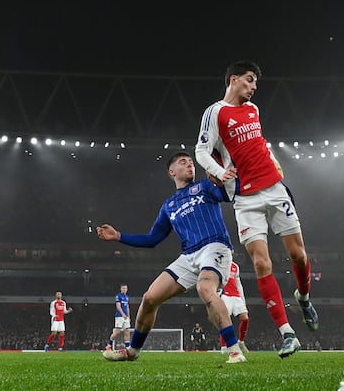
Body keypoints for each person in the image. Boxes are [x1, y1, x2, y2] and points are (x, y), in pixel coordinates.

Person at [195, 60, 317, 359]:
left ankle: (302, 296)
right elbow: (201, 150)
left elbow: (257, 145)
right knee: (262, 264)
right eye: (249, 80)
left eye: (255, 83)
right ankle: (287, 334)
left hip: (275, 188)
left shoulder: (254, 110)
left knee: (299, 255)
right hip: (246, 199)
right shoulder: (216, 112)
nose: (253, 87)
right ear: (233, 79)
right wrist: (218, 170)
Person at [97, 151, 246, 364]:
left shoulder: (205, 186)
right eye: (183, 162)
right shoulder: (169, 206)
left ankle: (234, 350)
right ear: (172, 171)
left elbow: (231, 193)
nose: (190, 165)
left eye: (191, 162)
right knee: (149, 298)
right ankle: (133, 351)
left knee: (205, 289)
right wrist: (118, 236)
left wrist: (224, 180)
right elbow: (152, 239)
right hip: (188, 256)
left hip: (215, 247)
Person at [218, 262, 250, 355]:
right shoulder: (219, 264)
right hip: (225, 295)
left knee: (245, 319)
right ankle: (224, 346)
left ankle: (241, 342)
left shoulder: (235, 266)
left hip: (236, 296)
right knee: (225, 320)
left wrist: (242, 300)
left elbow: (238, 284)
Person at [106, 284, 131, 351]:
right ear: (120, 289)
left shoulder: (127, 297)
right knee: (117, 332)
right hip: (119, 316)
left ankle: (128, 348)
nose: (124, 289)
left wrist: (129, 316)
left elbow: (127, 307)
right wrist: (123, 314)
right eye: (123, 288)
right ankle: (109, 345)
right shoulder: (118, 296)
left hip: (126, 317)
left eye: (125, 288)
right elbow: (118, 306)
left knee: (127, 332)